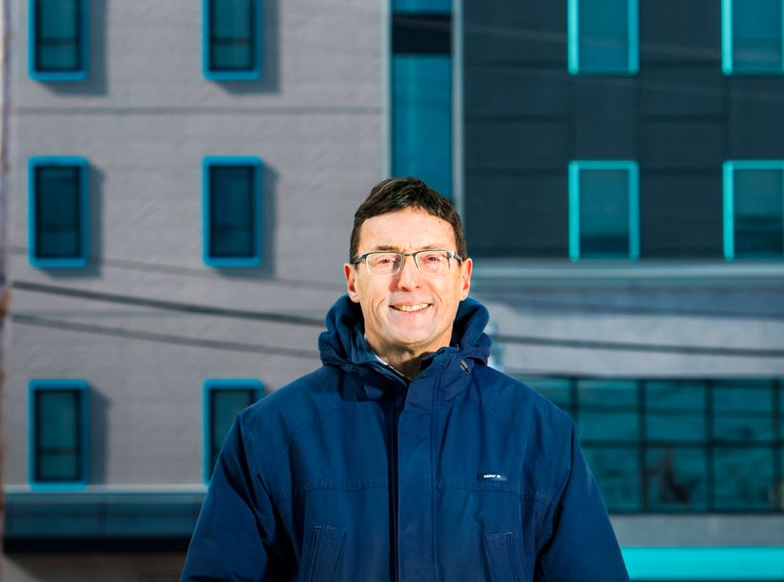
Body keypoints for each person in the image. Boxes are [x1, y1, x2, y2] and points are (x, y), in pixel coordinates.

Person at [180, 177, 629, 581]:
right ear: (353, 281)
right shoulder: (270, 434)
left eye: (431, 258)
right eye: (384, 259)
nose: (408, 280)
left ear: (463, 277)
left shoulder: (539, 433)